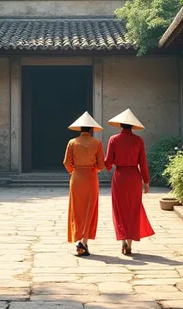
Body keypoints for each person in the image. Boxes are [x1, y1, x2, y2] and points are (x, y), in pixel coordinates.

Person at [104, 108, 155, 255]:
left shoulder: (113, 139)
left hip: (119, 177)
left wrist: (100, 161)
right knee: (133, 209)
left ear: (120, 125)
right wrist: (146, 181)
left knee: (119, 209)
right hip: (134, 177)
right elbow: (143, 163)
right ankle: (130, 243)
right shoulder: (138, 140)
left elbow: (108, 164)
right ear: (133, 126)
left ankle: (123, 241)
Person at [63, 111, 105, 257]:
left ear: (80, 128)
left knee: (76, 209)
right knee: (89, 209)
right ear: (91, 129)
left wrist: (74, 171)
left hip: (77, 178)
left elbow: (67, 163)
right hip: (91, 178)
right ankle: (85, 241)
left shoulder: (72, 142)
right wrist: (92, 168)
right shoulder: (97, 143)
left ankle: (78, 240)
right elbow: (101, 165)